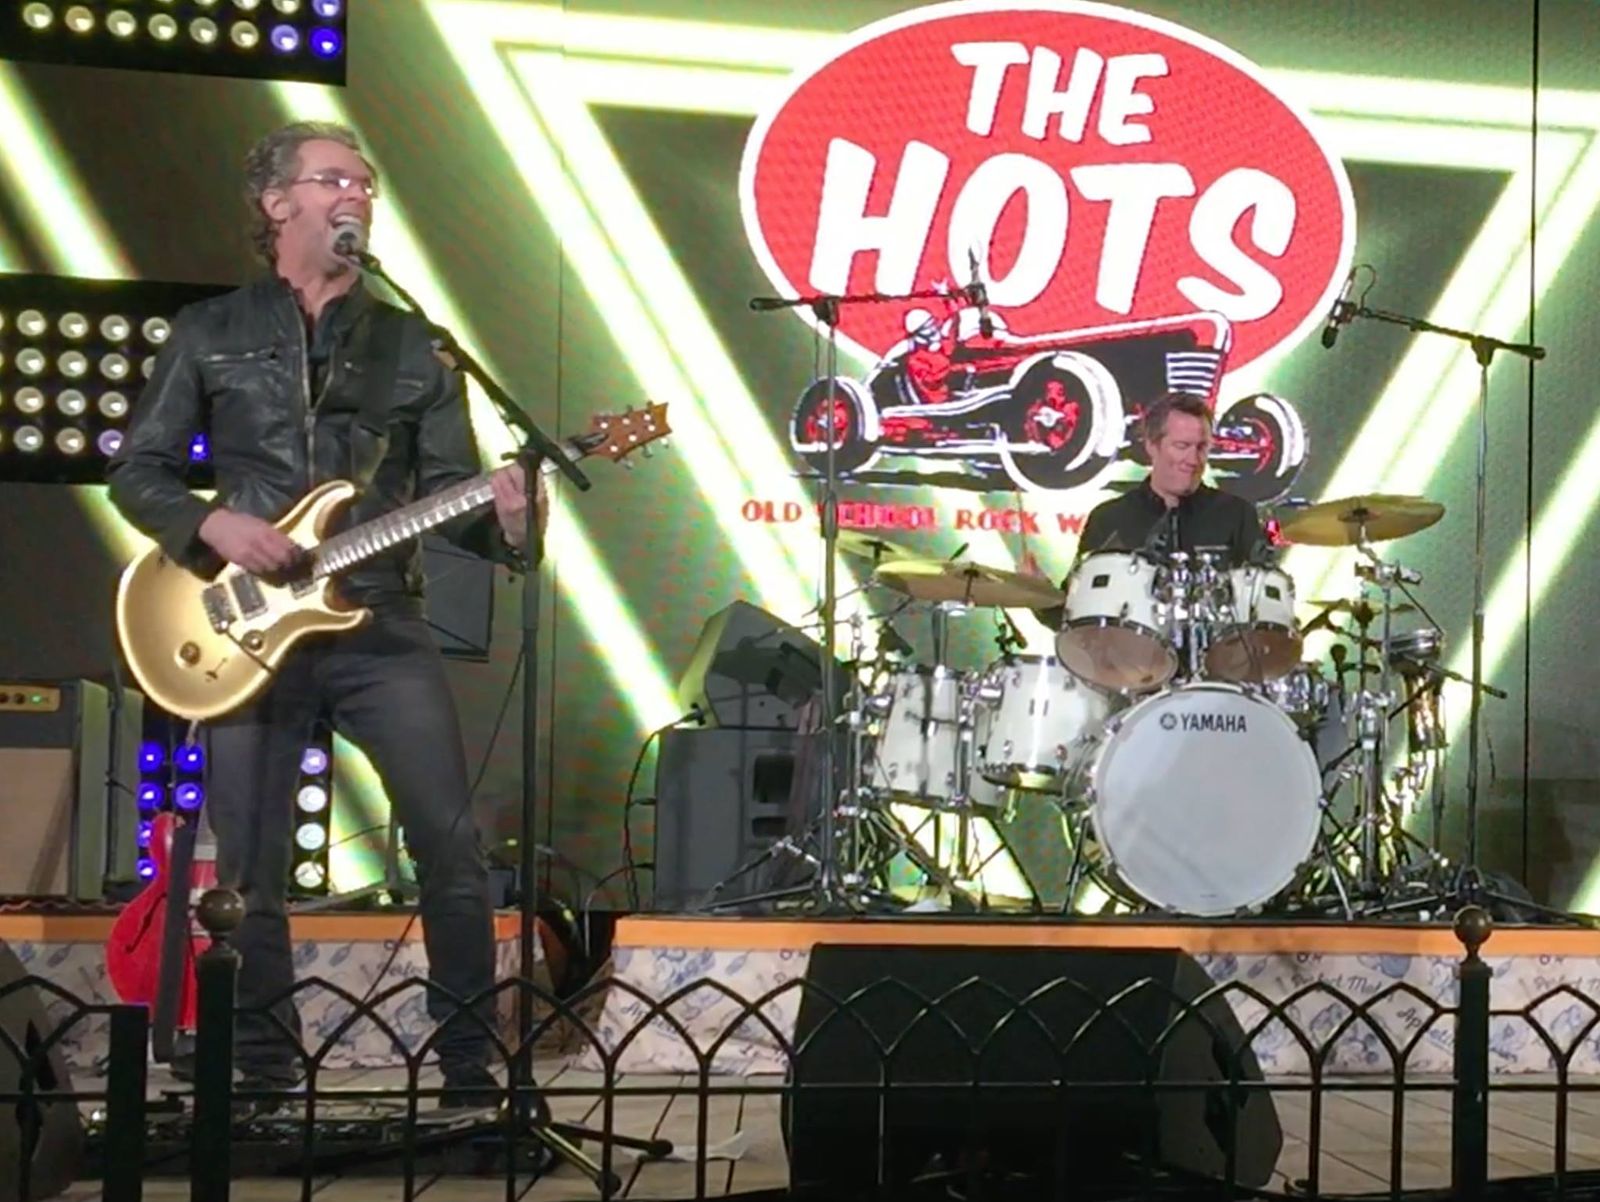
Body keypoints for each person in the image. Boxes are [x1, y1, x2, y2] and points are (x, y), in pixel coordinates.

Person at [107, 121, 543, 1106]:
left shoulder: (416, 345)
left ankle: (468, 1068)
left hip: (378, 619)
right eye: (334, 178)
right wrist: (213, 523)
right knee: (250, 866)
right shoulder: (211, 330)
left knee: (451, 846)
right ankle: (264, 1071)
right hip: (243, 625)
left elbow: (452, 495)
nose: (357, 195)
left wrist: (510, 520)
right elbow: (138, 471)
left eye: (366, 182)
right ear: (277, 204)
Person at [1034, 391, 1269, 630]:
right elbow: (1077, 616)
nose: (1193, 459)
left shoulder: (1237, 515)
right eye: (1182, 446)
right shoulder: (1109, 519)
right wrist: (1039, 595)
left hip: (1218, 653)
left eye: (1202, 447)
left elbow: (1267, 607)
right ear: (1151, 446)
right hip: (1130, 653)